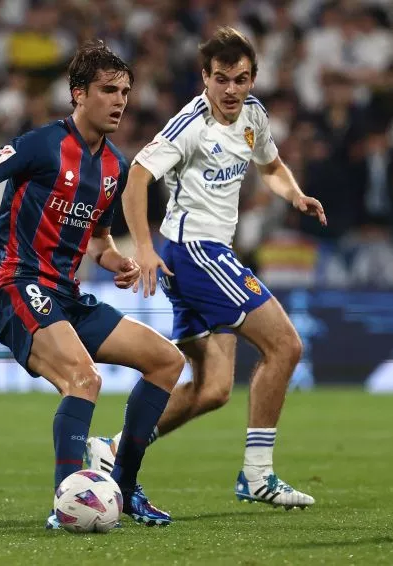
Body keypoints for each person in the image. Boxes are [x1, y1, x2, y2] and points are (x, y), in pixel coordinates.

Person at [0, 41, 185, 528]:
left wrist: (117, 260)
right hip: (18, 283)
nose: (120, 100)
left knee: (167, 361)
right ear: (78, 94)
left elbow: (98, 239)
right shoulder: (41, 144)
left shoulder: (115, 168)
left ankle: (124, 488)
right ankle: (67, 506)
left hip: (65, 293)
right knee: (83, 380)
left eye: (125, 91)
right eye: (108, 90)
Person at [85, 27, 324, 509]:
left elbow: (272, 167)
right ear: (205, 80)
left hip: (201, 255)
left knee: (213, 389)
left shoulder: (254, 116)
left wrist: (294, 194)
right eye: (221, 80)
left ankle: (113, 450)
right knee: (285, 346)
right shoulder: (189, 125)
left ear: (253, 78)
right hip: (196, 253)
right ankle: (258, 475)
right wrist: (145, 248)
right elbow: (136, 177)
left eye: (240, 79)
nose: (231, 90)